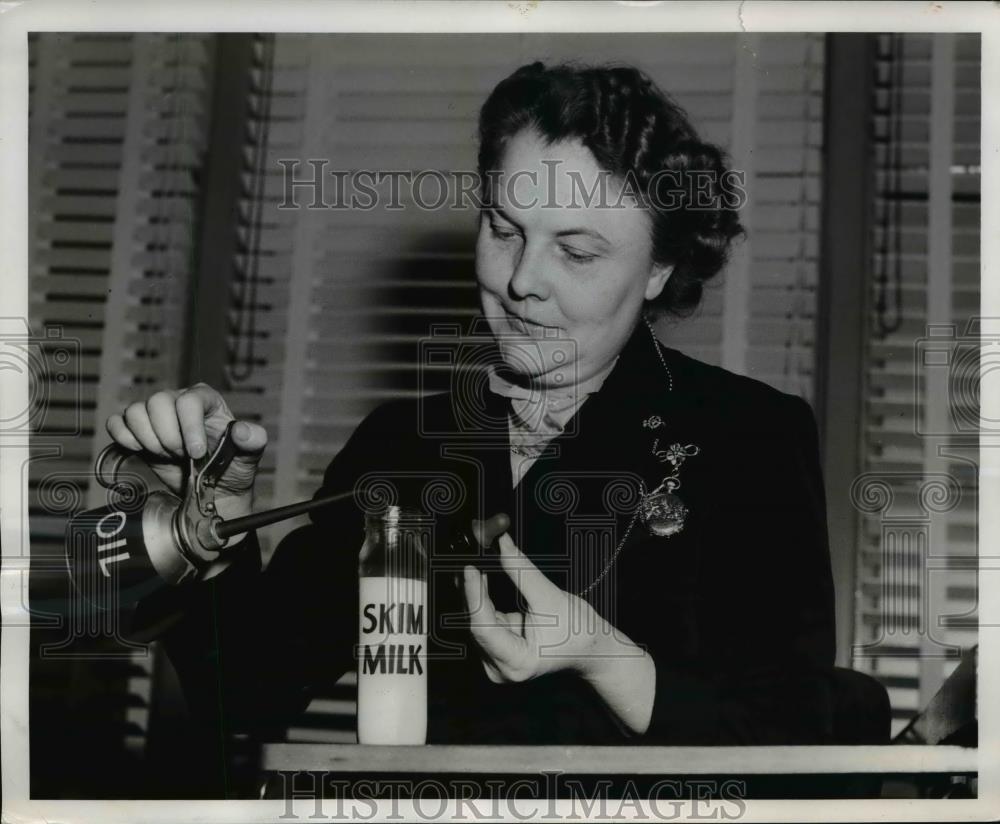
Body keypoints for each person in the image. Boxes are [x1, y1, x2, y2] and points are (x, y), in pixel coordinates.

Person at [108, 61, 836, 776]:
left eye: (577, 252)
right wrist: (213, 521)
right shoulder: (404, 445)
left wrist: (606, 659)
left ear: (657, 271)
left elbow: (800, 737)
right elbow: (244, 695)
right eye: (503, 227)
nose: (521, 282)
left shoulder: (749, 437)